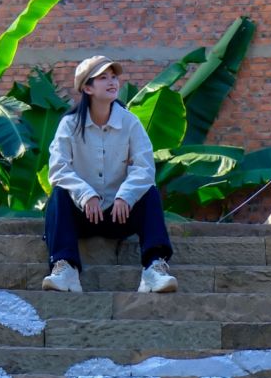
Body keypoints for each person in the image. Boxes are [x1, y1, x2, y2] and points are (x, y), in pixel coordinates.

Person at [43, 55, 177, 295]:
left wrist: (125, 196)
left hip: (120, 215)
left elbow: (144, 167)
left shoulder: (131, 123)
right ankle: (65, 268)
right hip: (83, 216)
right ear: (87, 88)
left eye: (114, 77)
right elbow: (58, 169)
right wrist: (86, 195)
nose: (112, 82)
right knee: (59, 194)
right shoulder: (69, 125)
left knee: (150, 193)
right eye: (103, 78)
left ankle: (154, 268)